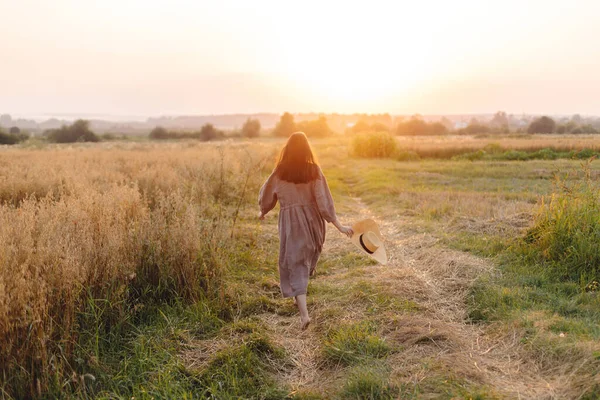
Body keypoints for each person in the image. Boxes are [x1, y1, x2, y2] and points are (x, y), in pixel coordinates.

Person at [258, 132, 353, 330]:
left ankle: (304, 315)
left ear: (288, 149)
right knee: (303, 261)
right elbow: (324, 203)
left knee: (296, 263)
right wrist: (339, 225)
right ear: (307, 149)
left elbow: (267, 194)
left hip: (291, 224)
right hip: (312, 223)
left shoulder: (280, 172)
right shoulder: (314, 171)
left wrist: (263, 210)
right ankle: (299, 297)